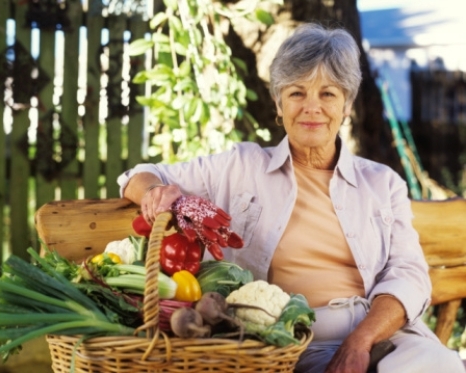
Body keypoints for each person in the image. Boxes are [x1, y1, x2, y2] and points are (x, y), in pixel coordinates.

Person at [117, 23, 465, 373]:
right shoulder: (241, 166)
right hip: (293, 341)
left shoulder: (382, 183)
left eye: (328, 94)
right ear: (278, 103)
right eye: (297, 93)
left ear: (347, 104)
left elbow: (409, 274)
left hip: (383, 332)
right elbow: (138, 175)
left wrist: (359, 342)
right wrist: (154, 192)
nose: (311, 107)